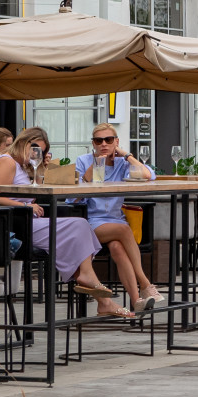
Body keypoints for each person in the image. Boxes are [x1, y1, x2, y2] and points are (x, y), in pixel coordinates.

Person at [0, 128, 127, 317]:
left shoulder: (20, 165)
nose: (36, 153)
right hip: (16, 226)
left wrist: (41, 169)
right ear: (23, 142)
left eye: (41, 151)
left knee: (78, 229)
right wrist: (26, 207)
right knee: (78, 225)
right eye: (34, 147)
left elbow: (36, 190)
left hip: (26, 222)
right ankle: (93, 287)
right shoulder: (7, 162)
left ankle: (102, 299)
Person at [73, 123, 163, 312]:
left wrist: (127, 155)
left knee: (117, 247)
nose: (104, 144)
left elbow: (148, 175)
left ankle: (137, 300)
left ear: (116, 142)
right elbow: (73, 197)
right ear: (93, 143)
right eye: (99, 140)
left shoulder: (123, 164)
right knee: (123, 230)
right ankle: (145, 283)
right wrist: (95, 165)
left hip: (115, 221)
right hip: (90, 223)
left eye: (109, 140)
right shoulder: (83, 161)